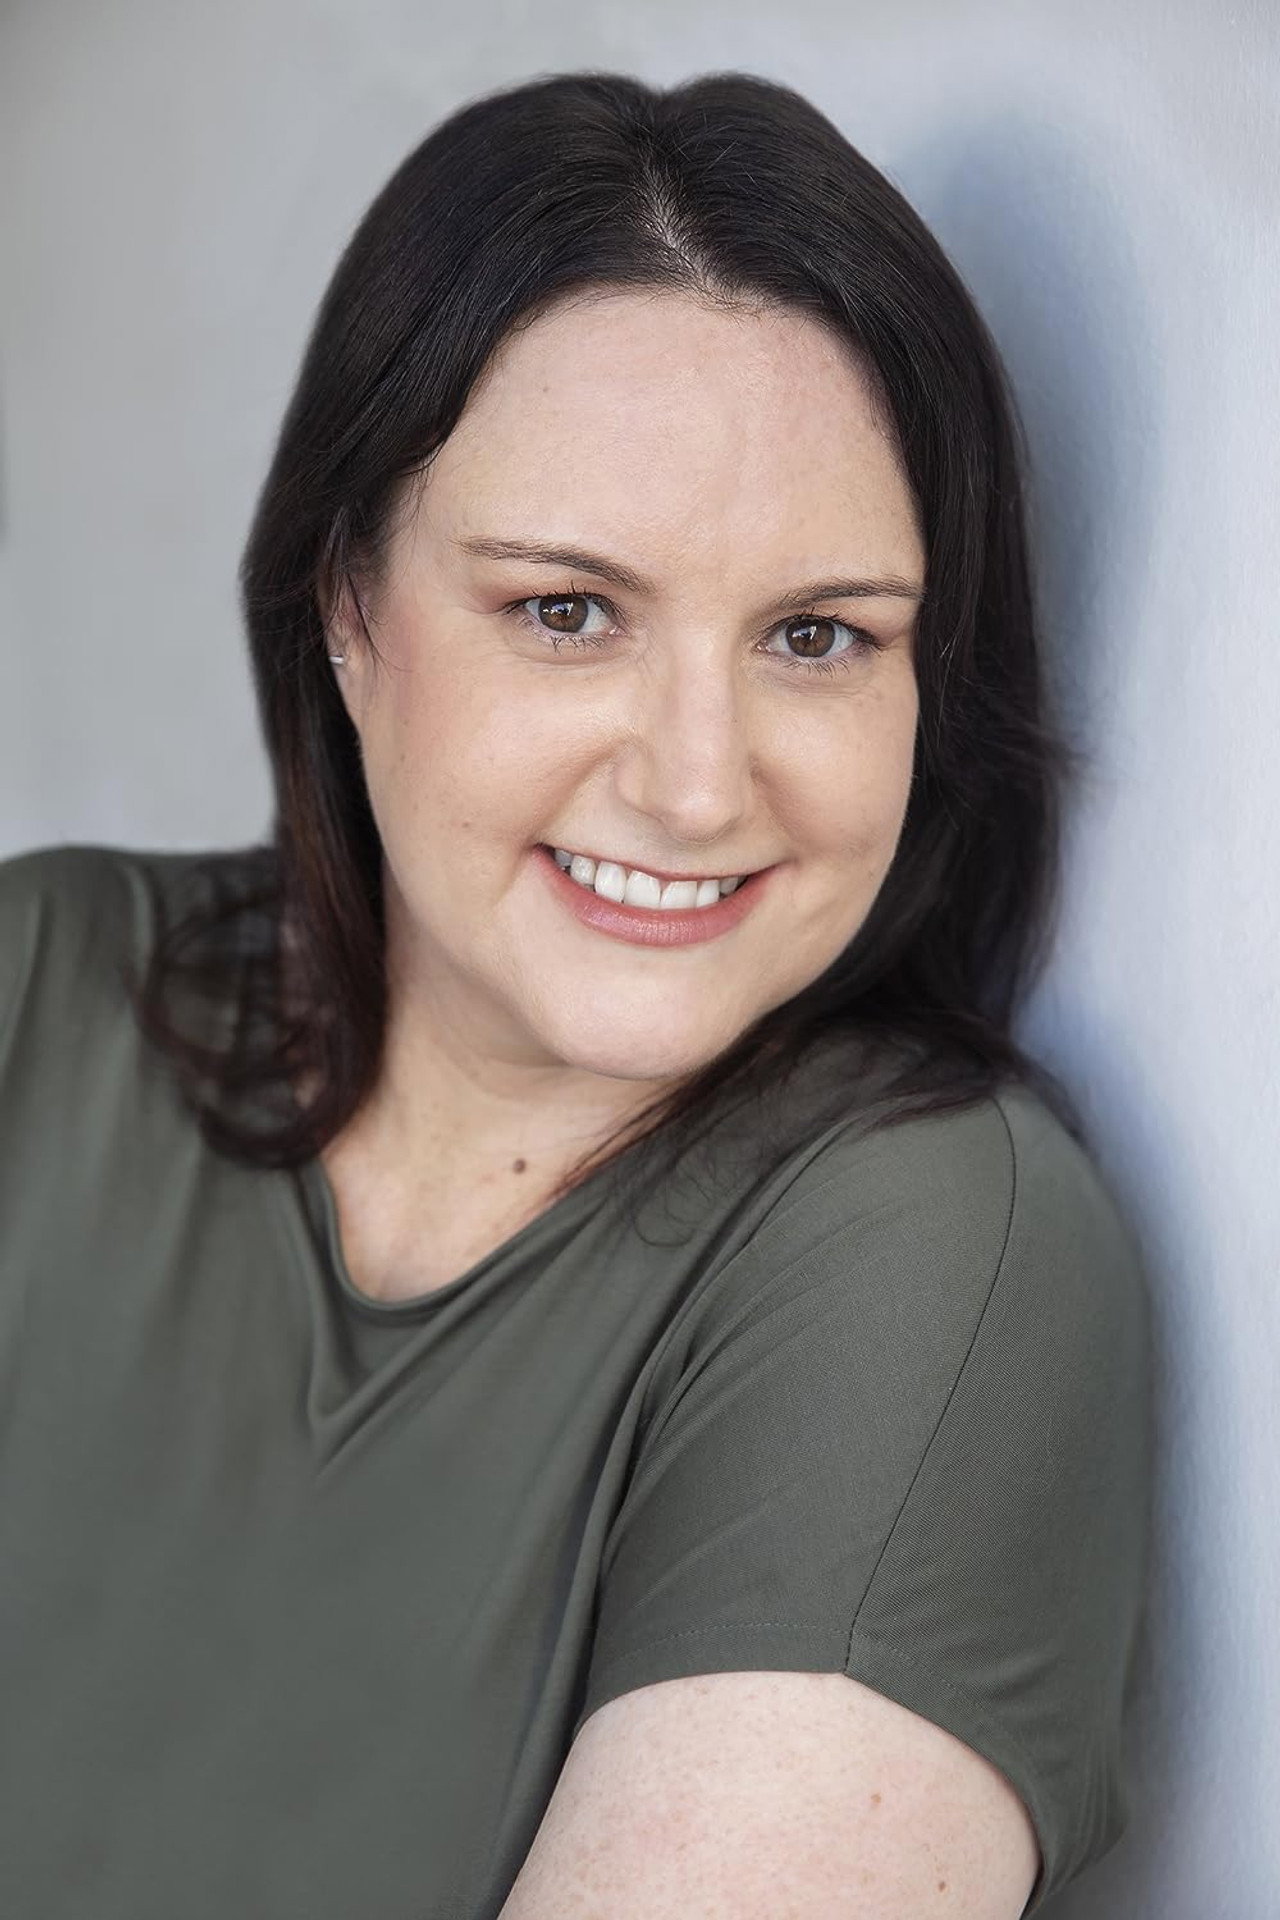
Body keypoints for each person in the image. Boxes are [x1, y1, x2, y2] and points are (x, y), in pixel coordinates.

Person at [0, 67, 1152, 1920]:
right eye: (567, 611)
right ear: (347, 607)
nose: (697, 786)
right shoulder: (36, 985)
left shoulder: (937, 1260)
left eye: (816, 636)